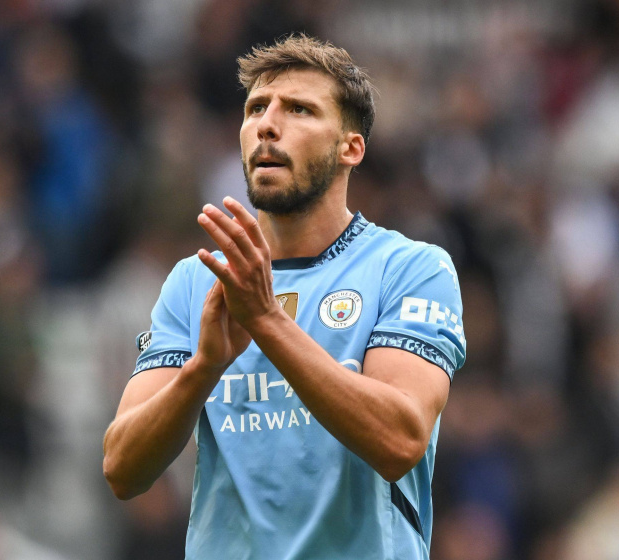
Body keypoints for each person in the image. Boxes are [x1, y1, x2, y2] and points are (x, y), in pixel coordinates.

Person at [103, 34, 466, 559]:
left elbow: (400, 441)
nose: (267, 125)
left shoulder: (409, 268)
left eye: (299, 109)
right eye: (256, 108)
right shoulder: (195, 281)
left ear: (350, 148)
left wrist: (267, 321)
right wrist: (204, 367)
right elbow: (122, 469)